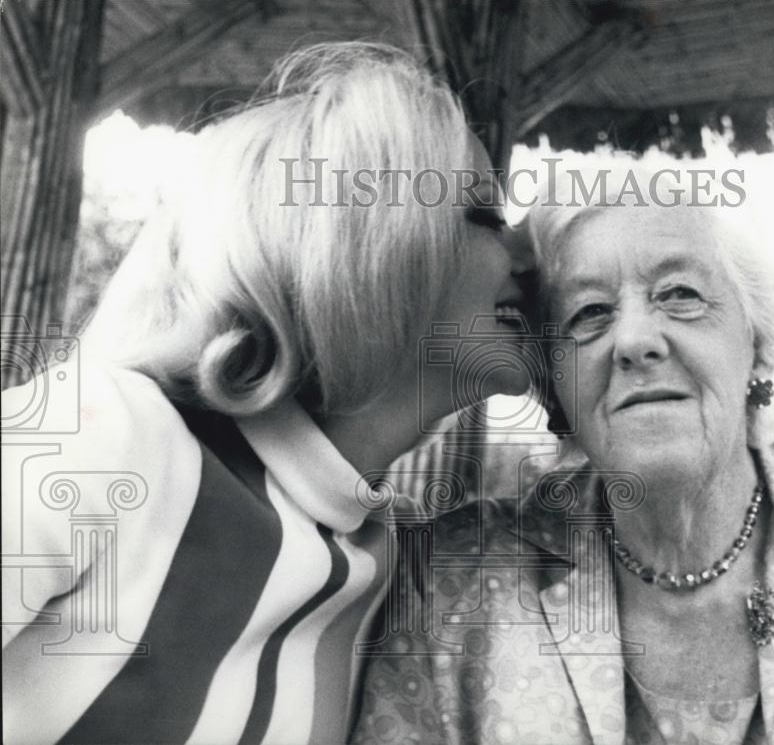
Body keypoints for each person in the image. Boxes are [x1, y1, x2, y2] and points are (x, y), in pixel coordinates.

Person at [350, 168, 774, 744]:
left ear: (756, 343)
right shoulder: (448, 586)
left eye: (680, 294)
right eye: (589, 313)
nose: (634, 339)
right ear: (556, 383)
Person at [1, 43, 534, 744]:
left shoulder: (383, 558)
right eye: (489, 217)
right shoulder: (102, 435)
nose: (530, 250)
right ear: (366, 245)